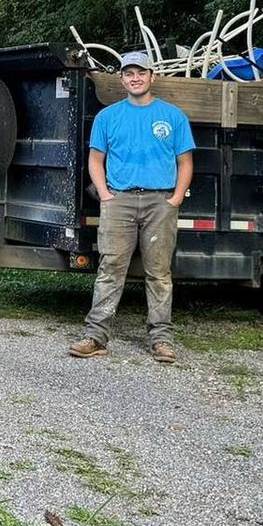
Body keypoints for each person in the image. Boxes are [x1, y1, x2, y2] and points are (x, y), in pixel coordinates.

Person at [69, 50, 195, 365]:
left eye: (140, 73)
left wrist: (175, 198)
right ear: (122, 78)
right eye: (128, 73)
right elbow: (95, 161)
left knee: (159, 273)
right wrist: (106, 195)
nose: (135, 78)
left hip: (160, 202)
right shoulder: (107, 117)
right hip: (119, 202)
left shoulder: (173, 116)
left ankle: (161, 340)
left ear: (152, 77)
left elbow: (185, 161)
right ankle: (96, 336)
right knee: (110, 269)